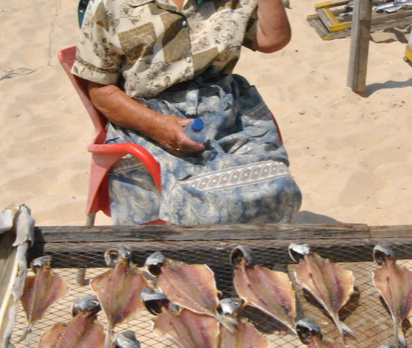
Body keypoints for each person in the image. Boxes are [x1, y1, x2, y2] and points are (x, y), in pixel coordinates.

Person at [72, 0, 302, 226]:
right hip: (144, 115)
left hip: (226, 106)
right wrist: (154, 124)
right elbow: (100, 89)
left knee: (279, 188)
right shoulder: (108, 5)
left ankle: (249, 261)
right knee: (196, 202)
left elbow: (271, 39)